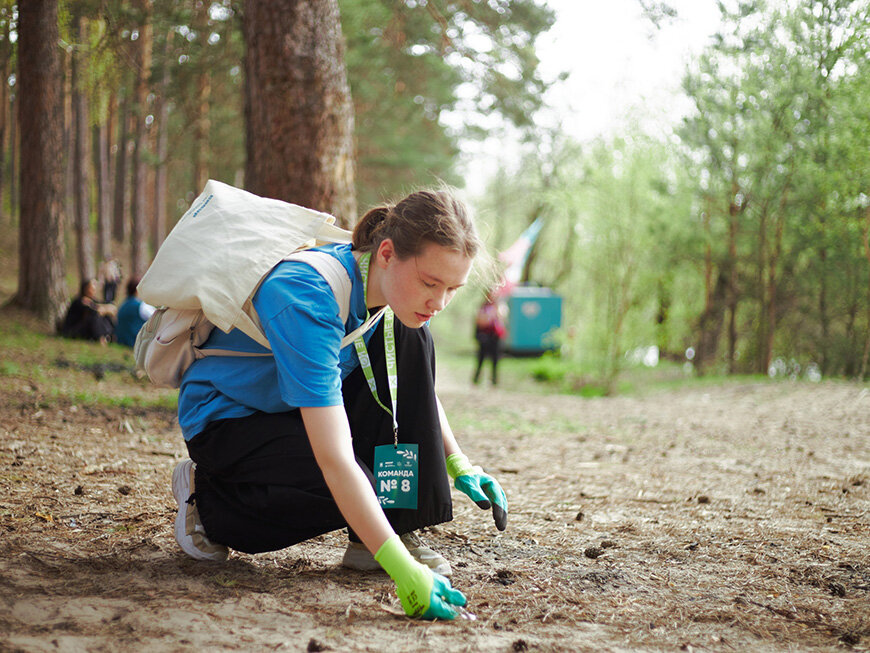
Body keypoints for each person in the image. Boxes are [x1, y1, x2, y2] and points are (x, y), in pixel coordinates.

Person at [172, 189, 508, 621]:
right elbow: (334, 460)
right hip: (230, 420)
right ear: (386, 253)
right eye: (430, 283)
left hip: (293, 406)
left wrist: (459, 462)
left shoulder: (384, 290)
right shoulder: (306, 296)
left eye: (452, 289)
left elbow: (409, 387)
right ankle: (209, 502)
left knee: (410, 337)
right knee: (343, 488)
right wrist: (401, 570)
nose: (439, 302)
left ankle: (388, 532)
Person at [59, 279, 116, 344]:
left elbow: (111, 308)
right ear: (85, 289)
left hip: (84, 330)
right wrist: (106, 309)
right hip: (72, 331)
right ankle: (100, 338)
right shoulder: (80, 301)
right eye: (92, 288)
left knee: (106, 317)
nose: (94, 290)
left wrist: (106, 309)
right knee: (94, 316)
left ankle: (111, 335)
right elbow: (97, 310)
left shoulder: (93, 300)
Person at [473, 292, 506, 385]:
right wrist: (488, 317)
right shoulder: (483, 307)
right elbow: (480, 321)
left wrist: (497, 309)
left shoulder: (500, 306)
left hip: (495, 336)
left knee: (495, 359)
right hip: (485, 335)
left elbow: (502, 317)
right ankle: (476, 378)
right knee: (481, 358)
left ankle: (494, 380)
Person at [116, 277, 155, 347]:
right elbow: (158, 318)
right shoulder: (141, 306)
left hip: (122, 343)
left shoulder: (122, 305)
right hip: (136, 344)